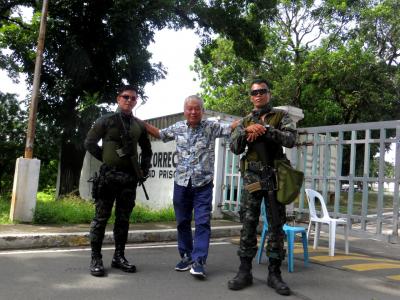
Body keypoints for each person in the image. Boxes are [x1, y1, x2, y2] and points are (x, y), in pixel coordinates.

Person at [144, 95, 238, 279]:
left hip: (202, 185)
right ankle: (186, 256)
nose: (193, 112)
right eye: (190, 109)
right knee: (182, 222)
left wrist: (251, 119)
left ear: (202, 111)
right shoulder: (178, 127)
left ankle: (199, 261)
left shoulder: (211, 127)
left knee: (203, 222)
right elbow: (160, 134)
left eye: (197, 109)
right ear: (185, 111)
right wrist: (139, 122)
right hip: (181, 183)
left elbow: (231, 127)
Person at [227, 79, 297, 296]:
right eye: (254, 92)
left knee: (276, 224)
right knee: (248, 223)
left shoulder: (280, 116)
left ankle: (274, 273)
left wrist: (266, 129)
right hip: (253, 178)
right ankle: (244, 270)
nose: (258, 95)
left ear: (269, 93)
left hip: (275, 176)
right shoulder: (245, 120)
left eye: (262, 91)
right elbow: (234, 147)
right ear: (251, 96)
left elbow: (290, 139)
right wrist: (247, 130)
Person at [84, 85, 152, 277]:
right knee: (100, 219)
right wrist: (106, 159)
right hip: (108, 178)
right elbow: (89, 143)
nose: (129, 100)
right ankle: (96, 259)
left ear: (136, 101)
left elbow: (147, 150)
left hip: (129, 179)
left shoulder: (139, 125)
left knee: (123, 220)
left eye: (133, 98)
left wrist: (143, 170)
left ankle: (119, 257)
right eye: (125, 97)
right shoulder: (106, 121)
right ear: (118, 99)